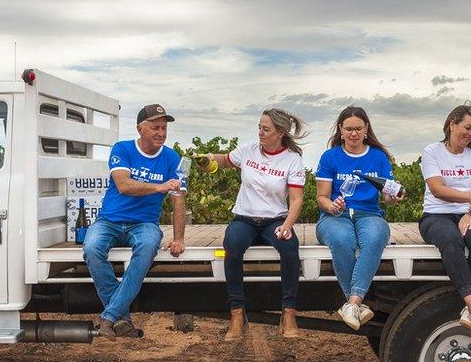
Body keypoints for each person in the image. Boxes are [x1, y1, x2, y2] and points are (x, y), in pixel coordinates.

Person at [195, 108, 306, 340]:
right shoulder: (248, 151)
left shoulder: (292, 160)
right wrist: (207, 159)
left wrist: (286, 226)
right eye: (259, 127)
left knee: (289, 249)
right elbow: (224, 160)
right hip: (244, 218)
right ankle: (237, 314)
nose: (260, 133)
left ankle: (288, 313)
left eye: (266, 129)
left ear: (281, 133)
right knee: (232, 245)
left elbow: (296, 200)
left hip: (275, 221)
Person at [83, 103, 186, 340]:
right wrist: (159, 186)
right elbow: (124, 185)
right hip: (109, 220)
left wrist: (179, 238)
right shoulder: (123, 149)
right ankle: (121, 319)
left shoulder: (172, 158)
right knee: (91, 248)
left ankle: (109, 318)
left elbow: (179, 198)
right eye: (155, 127)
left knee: (148, 247)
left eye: (164, 128)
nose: (161, 132)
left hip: (144, 224)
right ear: (140, 128)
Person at [315, 107, 404, 330]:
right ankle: (355, 304)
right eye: (349, 129)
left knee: (375, 238)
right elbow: (321, 198)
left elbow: (387, 196)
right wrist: (333, 206)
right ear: (341, 130)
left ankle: (352, 303)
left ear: (366, 130)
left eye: (358, 129)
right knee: (342, 240)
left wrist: (394, 197)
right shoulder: (330, 157)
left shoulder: (378, 157)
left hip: (369, 214)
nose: (353, 133)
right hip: (335, 216)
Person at [418, 104, 471, 340]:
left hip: (468, 212)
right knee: (451, 240)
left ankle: (468, 308)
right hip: (435, 215)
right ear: (452, 124)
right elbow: (438, 190)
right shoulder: (432, 151)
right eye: (467, 127)